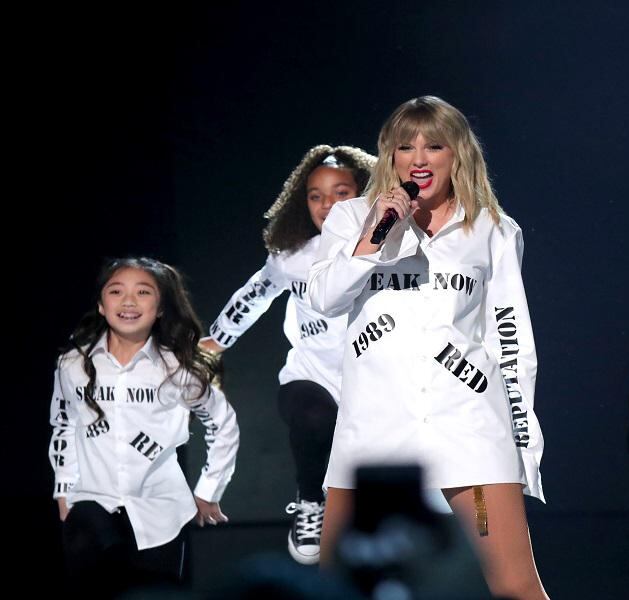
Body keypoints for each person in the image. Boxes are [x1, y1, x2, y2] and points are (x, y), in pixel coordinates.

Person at [308, 96, 548, 599]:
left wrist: (523, 448)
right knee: (337, 589)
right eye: (405, 147)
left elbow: (511, 344)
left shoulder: (493, 229)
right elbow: (325, 299)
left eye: (434, 146)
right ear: (390, 156)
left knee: (517, 587)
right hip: (373, 430)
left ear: (457, 153)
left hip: (470, 427)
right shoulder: (352, 217)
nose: (418, 159)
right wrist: (373, 237)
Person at [200, 145, 376, 565]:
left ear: (364, 194)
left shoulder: (392, 249)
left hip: (375, 381)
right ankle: (311, 502)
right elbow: (256, 294)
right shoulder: (292, 257)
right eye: (315, 195)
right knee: (312, 416)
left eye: (340, 192)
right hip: (311, 377)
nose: (327, 204)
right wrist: (216, 340)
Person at [50, 257, 239, 593]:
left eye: (143, 292)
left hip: (159, 513)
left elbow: (223, 423)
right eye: (116, 291)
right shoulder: (73, 364)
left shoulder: (178, 368)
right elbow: (64, 423)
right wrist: (64, 490)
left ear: (161, 307)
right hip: (92, 508)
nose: (128, 301)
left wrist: (208, 490)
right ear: (101, 304)